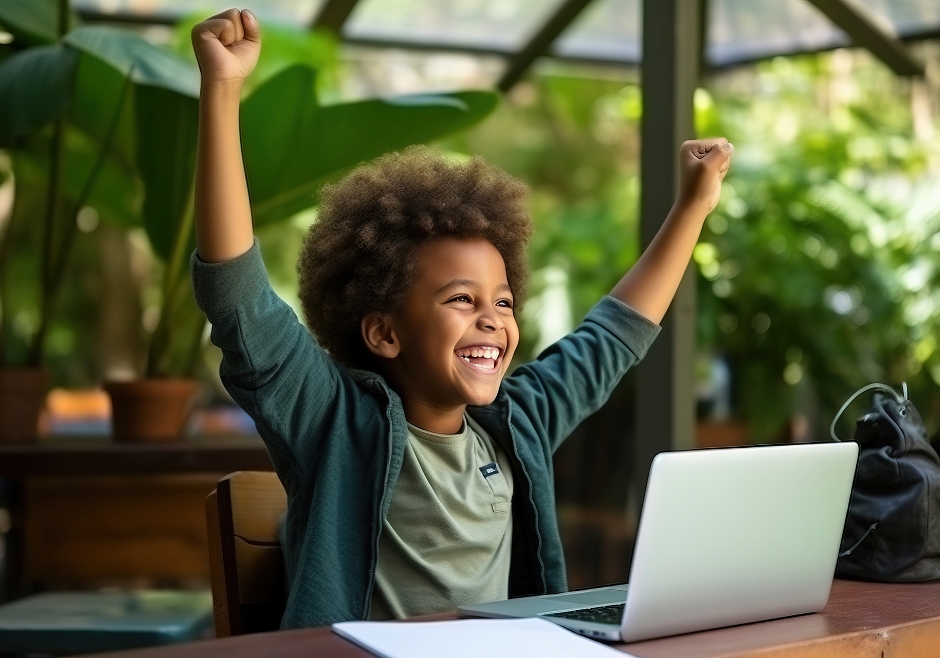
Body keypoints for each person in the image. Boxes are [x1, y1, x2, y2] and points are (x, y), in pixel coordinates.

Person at [190, 8, 733, 629]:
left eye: (502, 301)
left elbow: (612, 337)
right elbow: (238, 297)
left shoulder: (517, 424)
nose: (492, 321)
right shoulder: (333, 420)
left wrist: (692, 207)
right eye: (460, 300)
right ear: (384, 332)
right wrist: (223, 89)